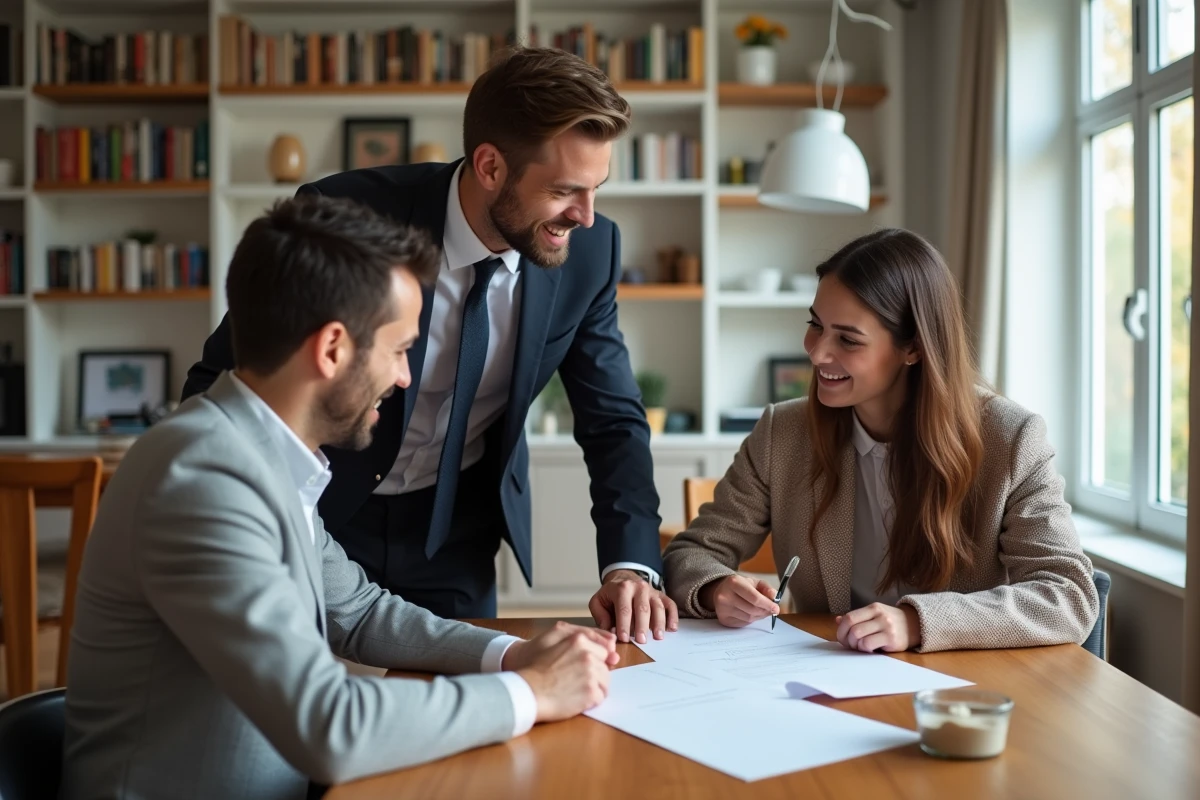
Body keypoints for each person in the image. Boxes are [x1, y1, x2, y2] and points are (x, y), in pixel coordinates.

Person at [60, 195, 620, 800]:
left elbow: (358, 612)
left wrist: (514, 655)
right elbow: (328, 726)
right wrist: (534, 692)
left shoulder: (255, 455)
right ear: (331, 349)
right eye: (401, 349)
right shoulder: (201, 479)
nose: (406, 378)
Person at [180, 45, 676, 644]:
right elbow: (222, 380)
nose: (587, 216)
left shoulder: (589, 254)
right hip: (320, 514)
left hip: (457, 531)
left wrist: (631, 565)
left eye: (597, 189)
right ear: (490, 166)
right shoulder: (345, 216)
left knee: (475, 709)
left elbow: (613, 420)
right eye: (566, 191)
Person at [663, 228, 1099, 653]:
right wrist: (717, 587)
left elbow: (1068, 595)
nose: (817, 353)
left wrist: (915, 622)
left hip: (962, 694)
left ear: (913, 347)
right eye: (816, 325)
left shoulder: (1011, 440)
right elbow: (691, 554)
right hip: (823, 680)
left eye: (848, 339)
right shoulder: (783, 432)